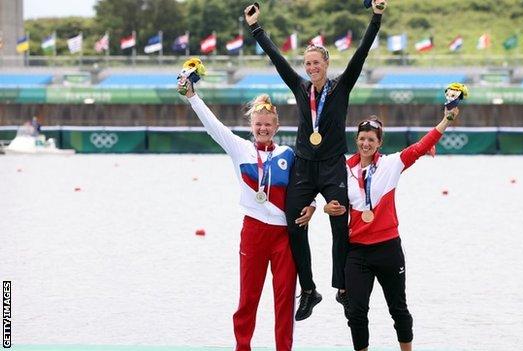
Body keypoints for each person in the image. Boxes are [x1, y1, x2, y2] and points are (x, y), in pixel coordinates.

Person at [244, 0, 386, 321]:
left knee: (340, 225)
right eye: (307, 64)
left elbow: (362, 52)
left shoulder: (341, 87)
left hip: (334, 167)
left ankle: (343, 288)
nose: (311, 68)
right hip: (304, 167)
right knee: (295, 224)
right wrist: (256, 28)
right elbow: (277, 61)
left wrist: (376, 17)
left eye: (315, 63)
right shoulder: (300, 87)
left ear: (326, 62)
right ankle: (308, 290)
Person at [179, 80, 316, 351]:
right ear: (252, 127)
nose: (263, 129)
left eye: (268, 124)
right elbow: (213, 126)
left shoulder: (287, 154)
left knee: (284, 298)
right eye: (258, 125)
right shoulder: (239, 149)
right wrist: (193, 97)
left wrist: (312, 204)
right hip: (253, 232)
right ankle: (242, 347)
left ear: (276, 127)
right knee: (248, 298)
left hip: (283, 236)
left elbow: (305, 185)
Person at [323, 107, 460, 351]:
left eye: (371, 140)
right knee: (355, 312)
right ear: (356, 140)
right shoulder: (343, 169)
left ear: (379, 143)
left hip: (388, 249)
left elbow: (419, 147)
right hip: (357, 252)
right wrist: (326, 208)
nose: (366, 143)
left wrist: (446, 120)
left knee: (398, 309)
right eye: (362, 139)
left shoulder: (391, 164)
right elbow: (325, 191)